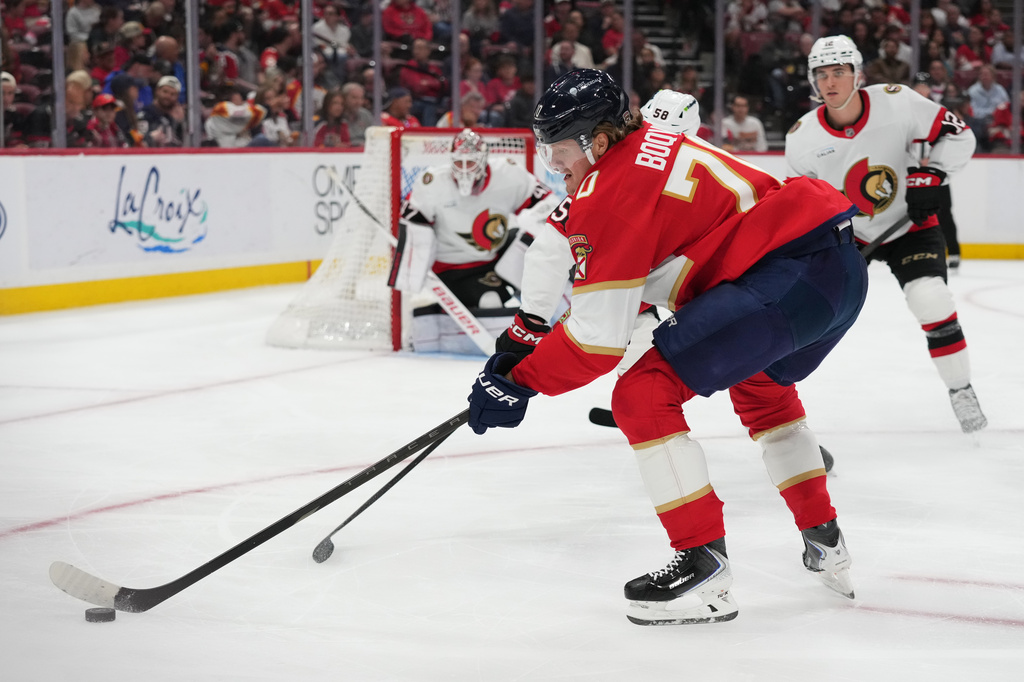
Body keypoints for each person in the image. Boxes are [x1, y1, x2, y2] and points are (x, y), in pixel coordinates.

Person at [469, 69, 866, 625]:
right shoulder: (655, 143)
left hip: (782, 281)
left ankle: (703, 567)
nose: (553, 164)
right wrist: (525, 351)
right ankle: (825, 540)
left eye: (559, 149)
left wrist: (518, 382)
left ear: (597, 140)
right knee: (763, 390)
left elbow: (597, 342)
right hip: (835, 271)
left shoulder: (607, 192)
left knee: (642, 394)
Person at [785, 36, 986, 434]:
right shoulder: (802, 138)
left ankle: (960, 389)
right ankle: (781, 414)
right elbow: (802, 204)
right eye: (822, 74)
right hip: (850, 236)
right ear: (812, 81)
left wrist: (934, 174)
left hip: (909, 225)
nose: (831, 82)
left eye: (839, 71)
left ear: (857, 74)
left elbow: (960, 136)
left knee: (930, 299)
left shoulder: (899, 101)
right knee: (806, 317)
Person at [388, 129, 558, 349]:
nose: (465, 170)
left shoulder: (508, 174)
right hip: (452, 269)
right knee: (490, 302)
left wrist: (530, 227)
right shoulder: (432, 183)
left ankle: (551, 317)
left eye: (471, 163)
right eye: (459, 163)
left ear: (484, 160)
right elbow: (414, 234)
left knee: (536, 245)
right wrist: (412, 282)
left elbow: (549, 205)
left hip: (493, 261)